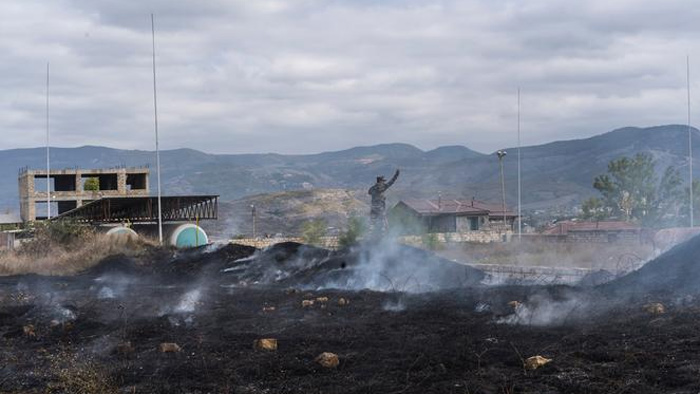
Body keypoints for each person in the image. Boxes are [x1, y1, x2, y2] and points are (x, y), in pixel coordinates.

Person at [368, 169, 400, 234]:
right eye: (383, 181)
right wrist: (396, 175)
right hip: (380, 208)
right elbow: (391, 182)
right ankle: (381, 236)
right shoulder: (383, 187)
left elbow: (369, 192)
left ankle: (371, 235)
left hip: (373, 208)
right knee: (382, 223)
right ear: (380, 181)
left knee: (372, 223)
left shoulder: (372, 188)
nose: (383, 182)